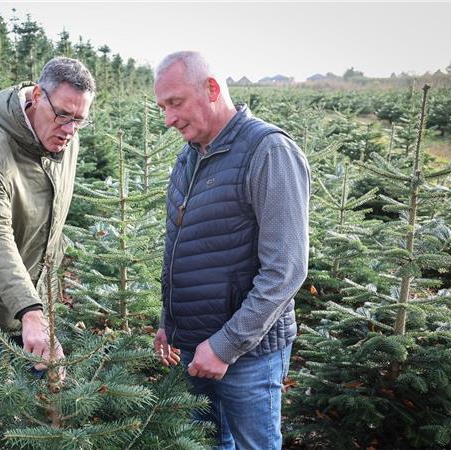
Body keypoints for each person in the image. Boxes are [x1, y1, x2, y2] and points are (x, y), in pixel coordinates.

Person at [152, 51, 310, 449]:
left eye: (175, 103)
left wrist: (224, 347)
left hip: (247, 357)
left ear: (211, 88)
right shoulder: (189, 157)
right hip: (191, 349)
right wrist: (168, 322)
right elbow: (182, 249)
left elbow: (286, 270)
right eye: (162, 107)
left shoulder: (268, 151)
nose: (168, 118)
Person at [0, 57, 95, 380]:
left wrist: (41, 304)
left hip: (40, 304)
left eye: (79, 120)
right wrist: (29, 309)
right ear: (38, 96)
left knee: (40, 415)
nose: (69, 130)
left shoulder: (68, 138)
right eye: (63, 115)